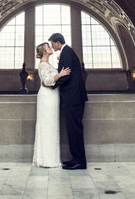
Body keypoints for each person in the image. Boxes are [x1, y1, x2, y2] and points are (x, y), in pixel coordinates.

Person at [49, 32, 88, 170]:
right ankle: (75, 159)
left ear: (58, 42)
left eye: (52, 44)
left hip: (73, 98)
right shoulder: (67, 51)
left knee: (75, 130)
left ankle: (79, 161)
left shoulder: (66, 52)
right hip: (73, 97)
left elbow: (66, 75)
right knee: (73, 130)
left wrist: (52, 85)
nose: (52, 47)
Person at [32, 42, 70, 168]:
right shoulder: (42, 65)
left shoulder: (47, 64)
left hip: (53, 96)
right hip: (47, 97)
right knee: (47, 125)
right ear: (44, 51)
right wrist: (59, 75)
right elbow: (46, 82)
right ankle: (46, 160)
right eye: (48, 47)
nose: (51, 47)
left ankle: (52, 158)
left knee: (52, 125)